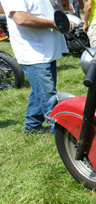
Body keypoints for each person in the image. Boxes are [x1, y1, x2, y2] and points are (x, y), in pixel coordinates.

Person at [0, 0, 68, 134]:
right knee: (48, 95)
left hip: (47, 50)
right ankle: (61, 133)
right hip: (33, 52)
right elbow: (20, 18)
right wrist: (53, 23)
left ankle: (32, 125)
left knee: (40, 91)